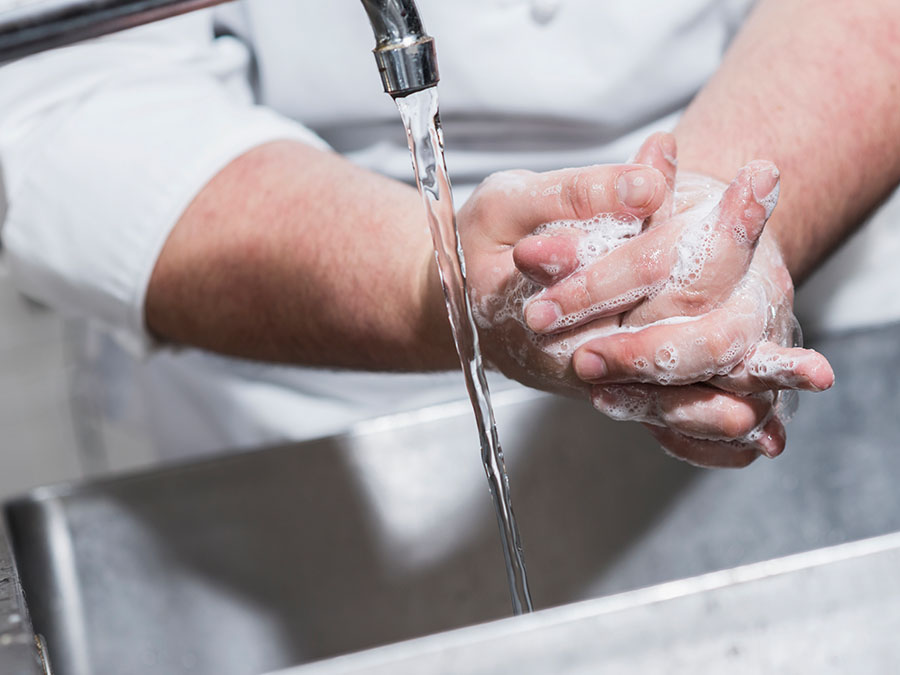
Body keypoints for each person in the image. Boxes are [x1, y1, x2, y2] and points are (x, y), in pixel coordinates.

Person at [0, 0, 896, 467]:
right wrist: (430, 281)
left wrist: (716, 230)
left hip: (810, 243)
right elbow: (68, 95)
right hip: (302, 441)